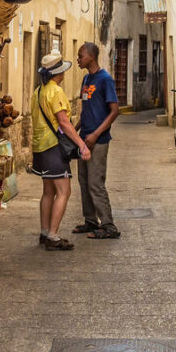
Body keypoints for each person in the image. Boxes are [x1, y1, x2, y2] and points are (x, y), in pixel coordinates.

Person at [31, 49, 91, 251]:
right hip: (54, 147)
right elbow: (64, 123)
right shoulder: (55, 92)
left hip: (40, 146)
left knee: (48, 191)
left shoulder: (38, 91)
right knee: (64, 191)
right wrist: (81, 145)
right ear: (59, 73)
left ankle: (44, 231)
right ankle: (54, 236)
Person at [73, 42, 120, 239]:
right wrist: (74, 132)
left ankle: (108, 225)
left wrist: (95, 134)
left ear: (91, 56)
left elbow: (114, 111)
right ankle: (90, 221)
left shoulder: (105, 80)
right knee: (83, 180)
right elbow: (85, 110)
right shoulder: (86, 79)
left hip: (98, 141)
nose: (78, 59)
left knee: (95, 182)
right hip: (84, 139)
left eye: (81, 55)